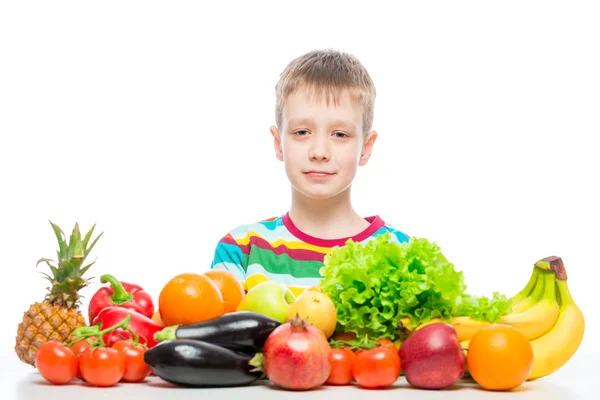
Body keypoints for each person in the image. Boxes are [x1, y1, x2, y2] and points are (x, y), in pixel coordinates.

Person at [209, 49, 410, 297]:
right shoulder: (241, 250)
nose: (319, 152)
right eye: (302, 132)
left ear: (365, 148)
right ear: (278, 143)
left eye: (340, 135)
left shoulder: (400, 253)